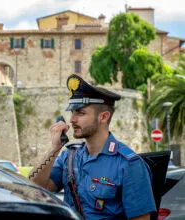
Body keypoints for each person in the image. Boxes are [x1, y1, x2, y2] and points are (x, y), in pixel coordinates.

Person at [29, 74, 156, 220]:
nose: (72, 120)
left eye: (80, 113)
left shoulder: (128, 164)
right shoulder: (68, 157)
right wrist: (54, 149)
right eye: (72, 113)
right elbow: (35, 192)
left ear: (103, 117)